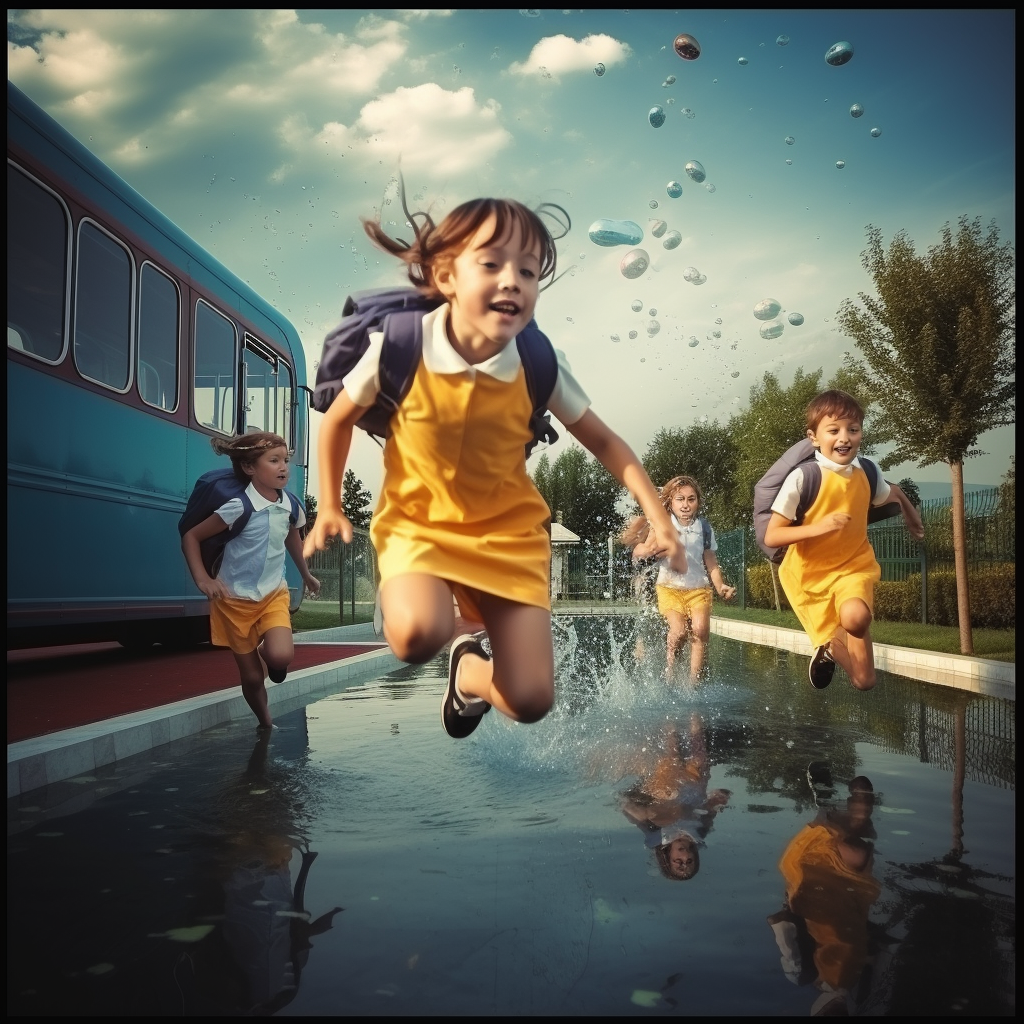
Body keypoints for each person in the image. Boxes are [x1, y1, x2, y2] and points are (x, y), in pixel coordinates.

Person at [304, 193, 685, 739]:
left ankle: (467, 676)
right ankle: (449, 645)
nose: (512, 281)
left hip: (508, 536)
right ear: (447, 275)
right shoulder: (401, 347)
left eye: (527, 272)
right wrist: (331, 505)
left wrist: (660, 517)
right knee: (416, 635)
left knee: (530, 700)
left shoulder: (538, 362)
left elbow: (606, 442)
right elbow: (339, 420)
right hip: (420, 524)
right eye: (492, 264)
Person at [763, 391, 924, 690]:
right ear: (814, 437)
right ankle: (830, 649)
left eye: (853, 429)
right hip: (810, 577)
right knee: (864, 681)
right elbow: (774, 535)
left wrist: (910, 512)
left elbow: (892, 491)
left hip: (853, 567)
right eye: (834, 430)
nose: (845, 437)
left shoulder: (867, 471)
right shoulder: (803, 478)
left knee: (856, 618)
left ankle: (831, 645)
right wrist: (819, 527)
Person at [181, 432, 320, 728]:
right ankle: (265, 722)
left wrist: (305, 573)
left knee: (281, 656)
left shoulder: (291, 505)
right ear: (249, 468)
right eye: (274, 461)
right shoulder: (238, 506)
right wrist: (203, 579)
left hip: (273, 594)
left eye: (285, 460)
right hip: (233, 601)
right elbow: (192, 536)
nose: (283, 467)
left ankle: (268, 652)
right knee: (254, 677)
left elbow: (292, 537)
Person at [767, 775, 882, 1015]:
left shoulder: (862, 991)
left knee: (847, 842)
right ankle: (831, 807)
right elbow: (781, 925)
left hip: (851, 897)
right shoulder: (802, 976)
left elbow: (881, 951)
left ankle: (855, 806)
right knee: (810, 848)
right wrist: (790, 905)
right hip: (819, 895)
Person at [630, 476, 736, 681]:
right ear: (670, 501)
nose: (685, 505)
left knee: (700, 630)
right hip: (669, 588)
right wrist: (647, 551)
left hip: (698, 589)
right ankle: (670, 671)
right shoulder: (662, 526)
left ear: (698, 502)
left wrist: (720, 585)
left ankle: (694, 683)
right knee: (678, 631)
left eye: (691, 499)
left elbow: (711, 562)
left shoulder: (704, 528)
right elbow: (644, 549)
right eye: (680, 499)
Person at [618, 712, 730, 880]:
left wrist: (631, 804)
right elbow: (709, 813)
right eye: (690, 861)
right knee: (700, 757)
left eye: (678, 861)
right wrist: (718, 799)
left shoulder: (656, 835)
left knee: (672, 756)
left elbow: (630, 810)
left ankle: (668, 708)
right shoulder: (699, 834)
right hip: (694, 786)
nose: (685, 857)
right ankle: (693, 706)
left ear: (667, 857)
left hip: (667, 789)